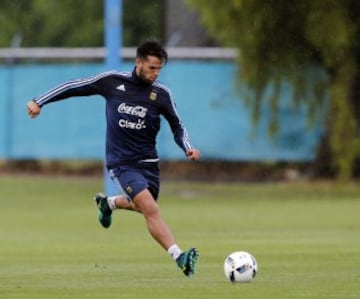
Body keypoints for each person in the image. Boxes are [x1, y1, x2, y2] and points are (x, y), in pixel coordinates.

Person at [26, 40, 200, 277]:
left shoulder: (161, 94)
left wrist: (187, 147)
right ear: (138, 63)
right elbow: (75, 86)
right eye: (152, 68)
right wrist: (40, 101)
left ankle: (108, 203)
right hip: (122, 163)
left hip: (148, 163)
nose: (156, 73)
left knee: (144, 207)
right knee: (150, 208)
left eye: (159, 69)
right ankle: (180, 257)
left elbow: (177, 126)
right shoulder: (113, 82)